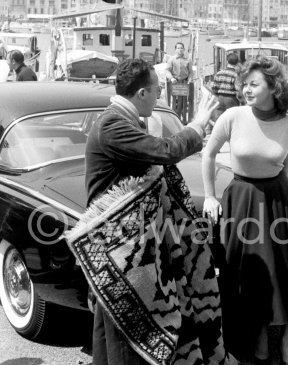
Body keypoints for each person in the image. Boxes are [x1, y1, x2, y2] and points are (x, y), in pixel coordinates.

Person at [75, 58, 233, 365]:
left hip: (122, 241)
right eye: (158, 90)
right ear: (143, 93)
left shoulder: (121, 119)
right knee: (128, 327)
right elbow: (167, 152)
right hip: (117, 243)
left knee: (111, 322)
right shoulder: (113, 126)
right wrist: (198, 122)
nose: (160, 95)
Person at [202, 56, 288, 364]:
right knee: (246, 272)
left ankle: (286, 339)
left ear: (274, 87)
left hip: (279, 200)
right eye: (244, 84)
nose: (246, 90)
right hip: (241, 201)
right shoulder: (234, 116)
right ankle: (259, 335)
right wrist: (210, 197)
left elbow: (282, 169)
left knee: (285, 270)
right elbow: (208, 153)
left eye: (254, 84)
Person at [166, 42, 193, 124]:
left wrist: (189, 80)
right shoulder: (171, 59)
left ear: (184, 49)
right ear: (175, 50)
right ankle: (175, 118)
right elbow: (167, 71)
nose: (180, 50)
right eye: (178, 48)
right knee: (175, 101)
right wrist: (171, 78)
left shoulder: (188, 59)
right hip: (175, 82)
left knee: (185, 102)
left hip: (184, 82)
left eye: (181, 48)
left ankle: (183, 119)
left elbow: (190, 72)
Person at [211, 52, 241, 122]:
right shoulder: (236, 75)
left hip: (220, 98)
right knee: (231, 119)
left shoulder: (219, 73)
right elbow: (238, 89)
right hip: (231, 99)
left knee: (219, 119)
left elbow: (214, 88)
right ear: (237, 63)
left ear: (227, 61)